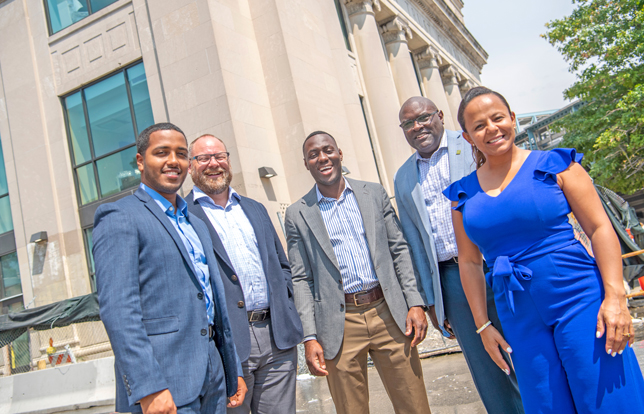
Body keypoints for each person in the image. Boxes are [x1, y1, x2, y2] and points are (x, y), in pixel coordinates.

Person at [444, 86, 644, 413]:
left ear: (512, 119)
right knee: (546, 405)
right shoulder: (461, 195)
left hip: (579, 298)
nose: (491, 129)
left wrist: (615, 298)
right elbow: (468, 263)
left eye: (497, 118)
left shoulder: (555, 165)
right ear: (468, 138)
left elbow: (599, 228)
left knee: (608, 399)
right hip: (518, 315)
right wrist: (483, 326)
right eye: (479, 126)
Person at [93, 123, 247, 414]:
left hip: (212, 378)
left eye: (180, 153)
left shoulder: (196, 225)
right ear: (140, 161)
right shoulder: (119, 217)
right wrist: (148, 386)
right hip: (163, 385)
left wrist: (231, 367)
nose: (173, 161)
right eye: (161, 152)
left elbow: (214, 304)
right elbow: (118, 310)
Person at [285, 131, 432, 414]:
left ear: (340, 153)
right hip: (339, 323)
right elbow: (301, 278)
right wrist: (310, 336)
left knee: (414, 405)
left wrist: (415, 302)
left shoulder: (373, 193)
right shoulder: (298, 214)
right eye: (313, 154)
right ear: (306, 163)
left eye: (327, 150)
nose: (322, 158)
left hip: (389, 312)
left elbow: (399, 249)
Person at [393, 97, 524, 414]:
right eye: (408, 123)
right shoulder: (403, 177)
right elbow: (413, 242)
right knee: (487, 367)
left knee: (528, 350)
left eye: (423, 117)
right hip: (451, 280)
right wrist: (431, 300)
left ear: (439, 115)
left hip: (499, 264)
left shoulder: (471, 143)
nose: (418, 126)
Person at [184, 134, 304, 414]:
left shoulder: (255, 208)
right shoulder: (184, 215)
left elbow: (282, 265)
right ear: (191, 167)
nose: (213, 164)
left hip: (277, 338)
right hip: (226, 346)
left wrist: (285, 305)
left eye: (220, 156)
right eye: (203, 158)